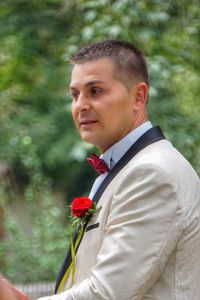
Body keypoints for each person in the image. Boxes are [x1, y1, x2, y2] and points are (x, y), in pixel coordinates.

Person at [38, 40, 200, 299]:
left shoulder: (152, 173)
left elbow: (108, 292)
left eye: (95, 91)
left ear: (138, 97)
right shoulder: (125, 167)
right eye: (75, 94)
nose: (80, 105)